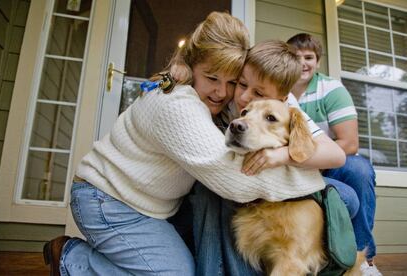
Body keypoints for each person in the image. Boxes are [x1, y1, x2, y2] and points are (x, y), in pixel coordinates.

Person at [42, 12, 337, 276]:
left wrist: (287, 155)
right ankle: (72, 259)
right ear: (192, 66)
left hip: (156, 207)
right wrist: (313, 182)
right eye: (212, 78)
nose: (224, 93)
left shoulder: (232, 100)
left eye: (233, 82)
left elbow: (329, 151)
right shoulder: (176, 105)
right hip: (107, 201)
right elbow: (235, 182)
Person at [190, 39, 359, 275]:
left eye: (259, 93)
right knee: (211, 192)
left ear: (282, 98)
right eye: (241, 84)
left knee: (349, 195)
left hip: (282, 189)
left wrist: (283, 156)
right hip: (227, 186)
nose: (245, 98)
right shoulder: (224, 92)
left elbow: (336, 155)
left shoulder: (287, 109)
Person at [287, 33, 380, 276]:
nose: (303, 62)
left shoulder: (330, 89)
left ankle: (363, 259)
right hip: (290, 163)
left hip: (330, 163)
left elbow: (349, 143)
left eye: (309, 57)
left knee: (358, 169)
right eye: (296, 57)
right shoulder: (278, 87)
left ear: (317, 61)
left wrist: (310, 159)